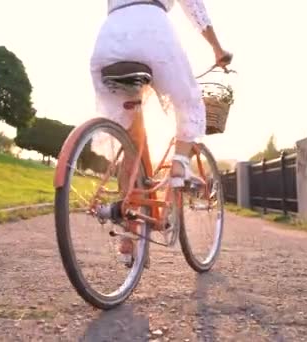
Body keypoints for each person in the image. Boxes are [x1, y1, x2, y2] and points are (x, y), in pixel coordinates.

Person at [90, 0, 231, 263]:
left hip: (109, 39)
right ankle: (179, 165)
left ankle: (129, 238)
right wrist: (217, 49)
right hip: (152, 31)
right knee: (189, 103)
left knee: (131, 139)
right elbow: (194, 7)